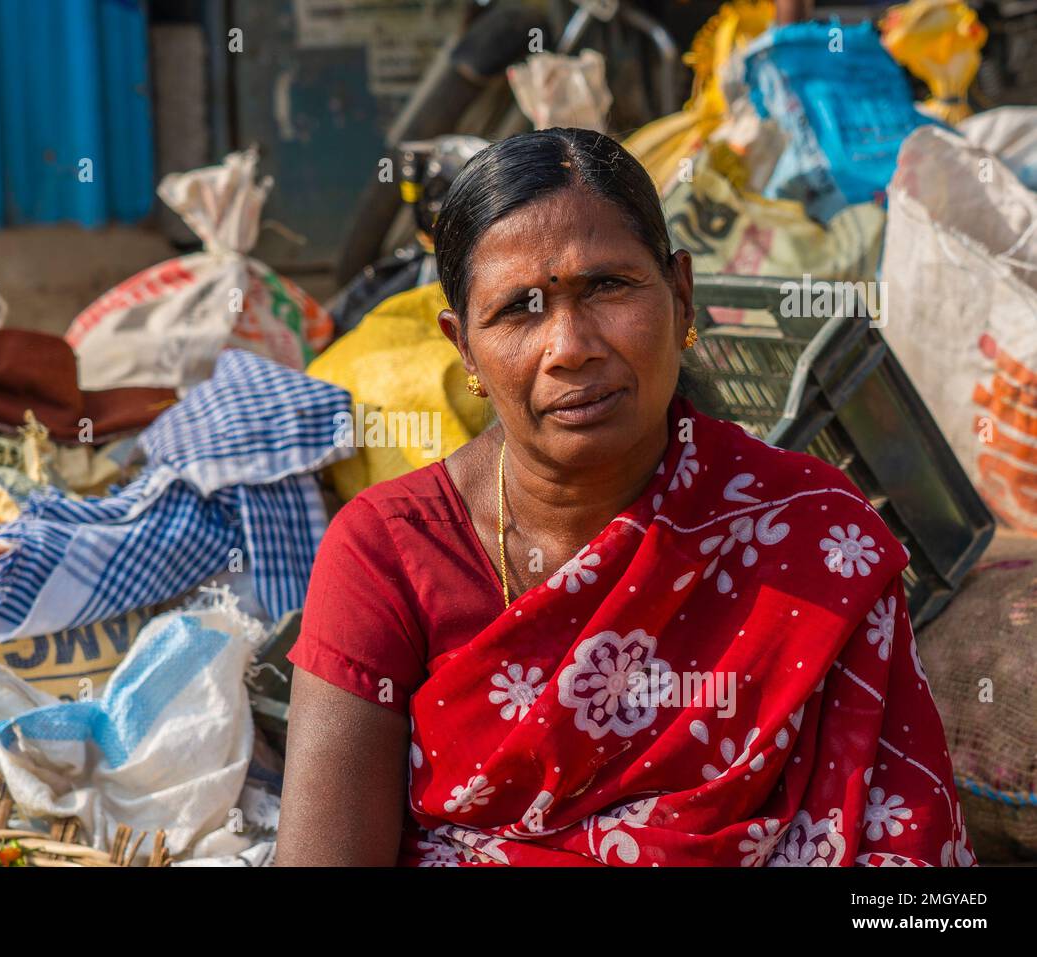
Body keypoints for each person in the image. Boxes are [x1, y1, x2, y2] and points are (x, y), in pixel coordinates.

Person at [276, 128, 975, 867]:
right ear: (464, 348)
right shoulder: (387, 552)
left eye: (606, 286)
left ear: (680, 294)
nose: (570, 344)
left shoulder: (813, 533)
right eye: (519, 309)